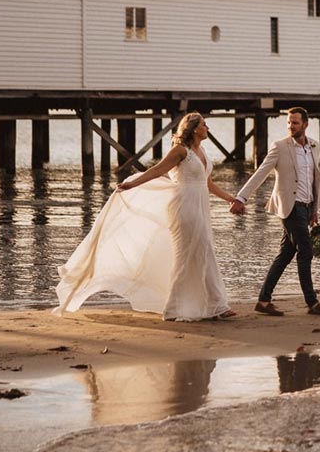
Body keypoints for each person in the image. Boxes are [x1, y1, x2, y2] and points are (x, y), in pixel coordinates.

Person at [53, 112, 237, 321]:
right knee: (188, 255)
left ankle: (216, 304)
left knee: (205, 250)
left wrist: (230, 198)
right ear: (194, 129)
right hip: (183, 206)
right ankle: (177, 308)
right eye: (205, 124)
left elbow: (208, 183)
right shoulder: (180, 151)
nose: (208, 128)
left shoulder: (201, 151)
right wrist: (133, 184)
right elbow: (157, 170)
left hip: (201, 206)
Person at [231, 107, 320, 317]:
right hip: (290, 207)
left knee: (285, 255)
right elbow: (262, 171)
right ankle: (312, 303)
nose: (291, 126)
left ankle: (263, 300)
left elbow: (315, 180)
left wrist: (315, 209)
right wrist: (241, 198)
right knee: (305, 251)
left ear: (305, 124)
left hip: (306, 208)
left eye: (295, 123)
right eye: (289, 122)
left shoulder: (314, 146)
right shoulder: (280, 147)